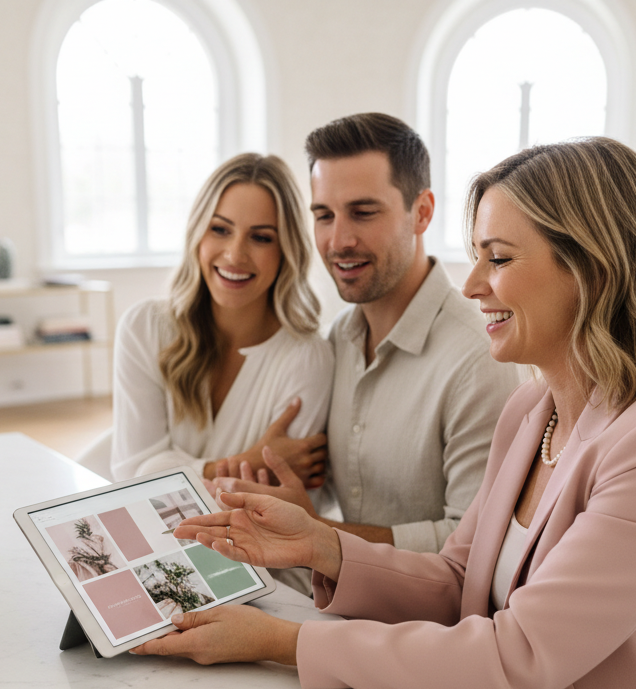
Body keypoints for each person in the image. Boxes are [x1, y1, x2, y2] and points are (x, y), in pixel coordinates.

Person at [134, 138, 636, 689]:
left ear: (590, 267)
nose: (471, 286)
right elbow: (457, 579)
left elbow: (519, 653)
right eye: (476, 256)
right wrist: (324, 548)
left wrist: (282, 643)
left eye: (498, 259)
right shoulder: (533, 412)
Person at [212, 114, 518, 552]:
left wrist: (316, 532)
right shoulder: (338, 340)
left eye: (363, 212)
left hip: (420, 617)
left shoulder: (477, 359)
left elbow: (473, 546)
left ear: (422, 212)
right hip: (336, 594)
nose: (338, 240)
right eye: (324, 215)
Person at [110, 153, 334, 493]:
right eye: (220, 229)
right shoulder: (144, 328)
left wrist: (170, 472)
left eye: (261, 237)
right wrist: (249, 463)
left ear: (287, 250)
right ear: (198, 233)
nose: (234, 255)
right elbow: (132, 479)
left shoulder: (308, 359)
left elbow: (277, 506)